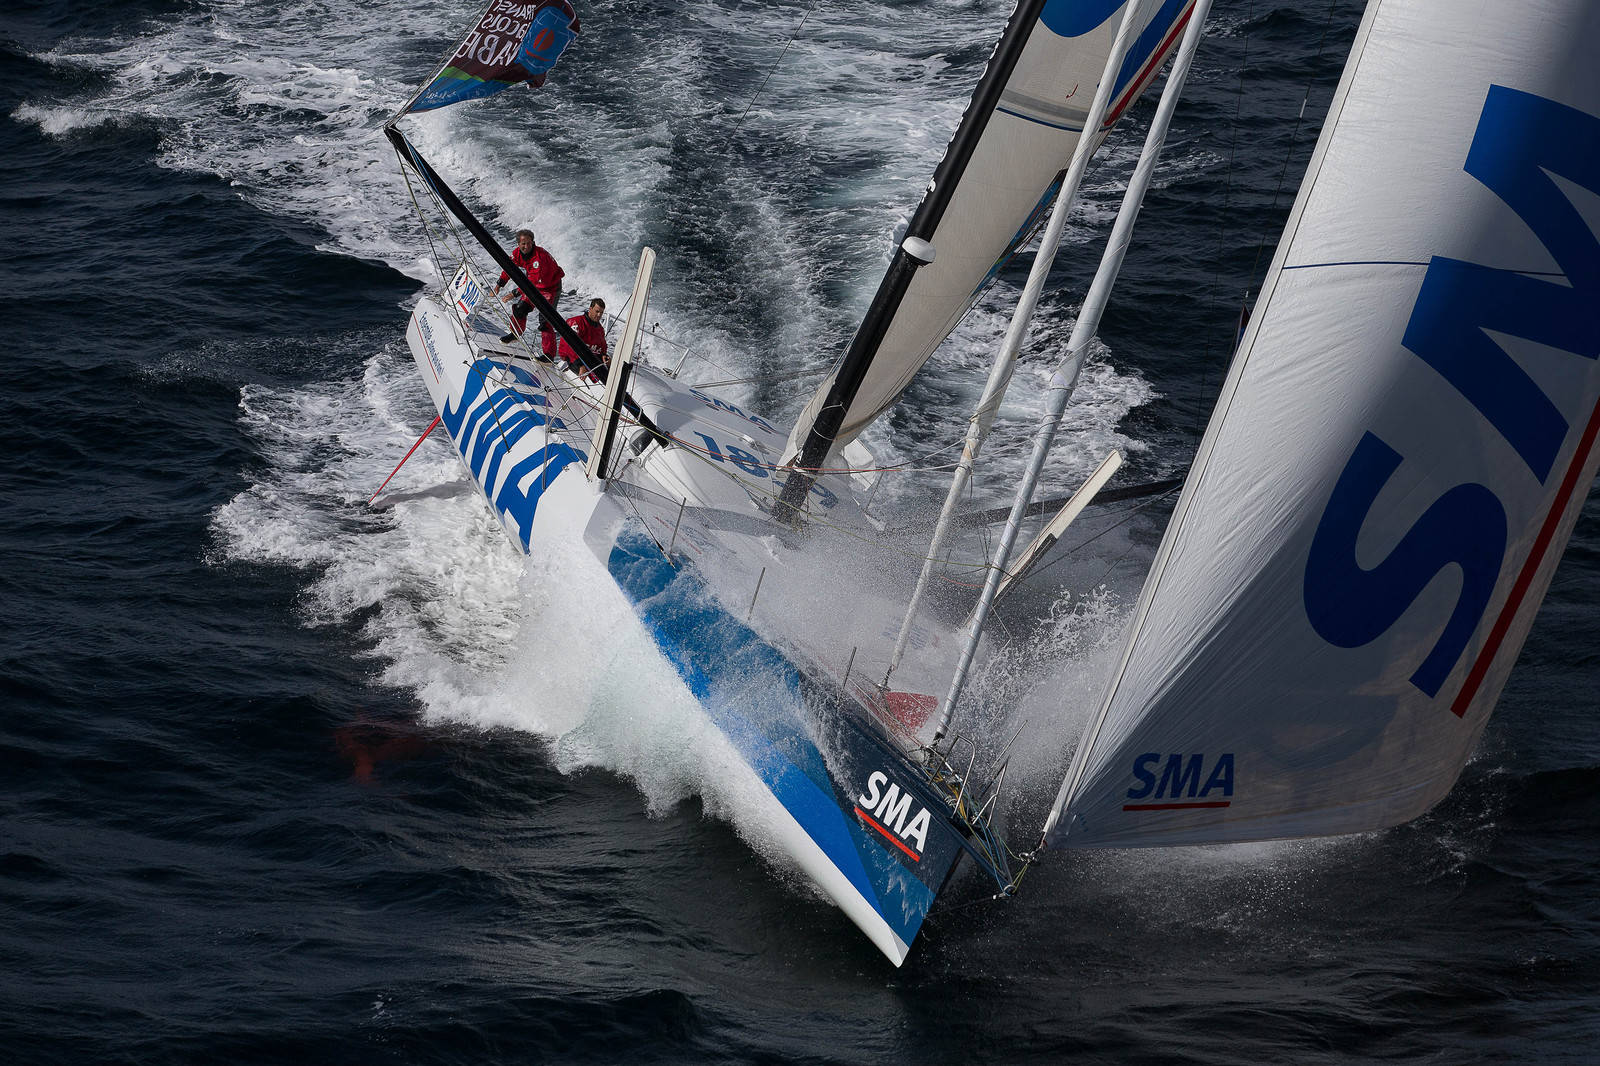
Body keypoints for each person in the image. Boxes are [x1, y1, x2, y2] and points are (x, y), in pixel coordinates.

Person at [491, 229, 565, 355]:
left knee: (545, 320)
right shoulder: (517, 253)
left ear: (533, 242)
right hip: (534, 285)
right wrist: (499, 284)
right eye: (523, 244)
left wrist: (513, 294)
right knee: (520, 309)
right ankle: (515, 334)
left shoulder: (539, 258)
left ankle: (549, 355)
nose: (526, 247)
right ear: (518, 245)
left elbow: (531, 283)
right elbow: (509, 269)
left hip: (550, 287)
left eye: (529, 243)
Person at [558, 298, 609, 381]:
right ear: (590, 309)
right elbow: (569, 346)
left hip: (591, 359)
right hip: (573, 360)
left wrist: (604, 355)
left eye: (601, 312)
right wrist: (580, 365)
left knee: (609, 372)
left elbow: (602, 346)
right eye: (597, 311)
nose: (599, 315)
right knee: (596, 378)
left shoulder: (600, 329)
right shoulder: (576, 323)